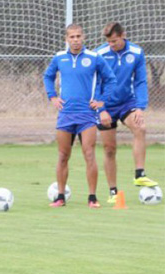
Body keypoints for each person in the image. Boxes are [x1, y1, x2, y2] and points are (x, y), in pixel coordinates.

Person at [43, 24, 116, 208]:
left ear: (83, 37)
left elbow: (111, 79)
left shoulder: (94, 57)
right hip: (66, 114)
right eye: (72, 37)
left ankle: (92, 198)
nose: (75, 40)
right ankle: (60, 197)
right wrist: (52, 96)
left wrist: (101, 101)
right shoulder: (60, 57)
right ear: (66, 39)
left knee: (89, 153)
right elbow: (47, 76)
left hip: (87, 115)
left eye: (78, 36)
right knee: (62, 155)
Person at [94, 22, 158, 204]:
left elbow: (140, 81)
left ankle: (139, 174)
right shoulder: (99, 54)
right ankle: (113, 192)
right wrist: (101, 110)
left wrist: (140, 106)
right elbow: (95, 85)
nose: (111, 45)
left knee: (140, 127)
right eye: (108, 42)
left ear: (123, 35)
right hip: (105, 105)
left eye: (114, 41)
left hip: (126, 103)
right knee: (109, 149)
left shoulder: (136, 53)